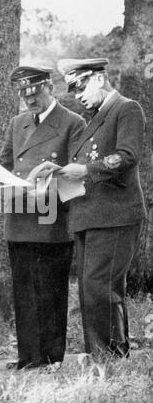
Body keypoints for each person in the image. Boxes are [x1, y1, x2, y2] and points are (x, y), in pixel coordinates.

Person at [39, 58, 147, 359]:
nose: (77, 95)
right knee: (92, 289)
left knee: (100, 287)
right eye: (73, 89)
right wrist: (60, 173)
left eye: (81, 86)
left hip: (115, 215)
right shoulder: (96, 117)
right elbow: (87, 167)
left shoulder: (126, 108)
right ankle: (104, 356)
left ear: (98, 79)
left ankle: (109, 358)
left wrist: (84, 170)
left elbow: (127, 156)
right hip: (90, 215)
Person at [0, 65, 86, 371]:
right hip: (19, 218)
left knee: (50, 291)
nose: (30, 101)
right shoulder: (17, 122)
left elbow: (76, 174)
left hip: (51, 221)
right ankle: (27, 357)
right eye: (23, 94)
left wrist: (44, 189)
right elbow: (3, 163)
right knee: (23, 292)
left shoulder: (72, 122)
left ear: (50, 87)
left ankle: (50, 357)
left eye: (35, 93)